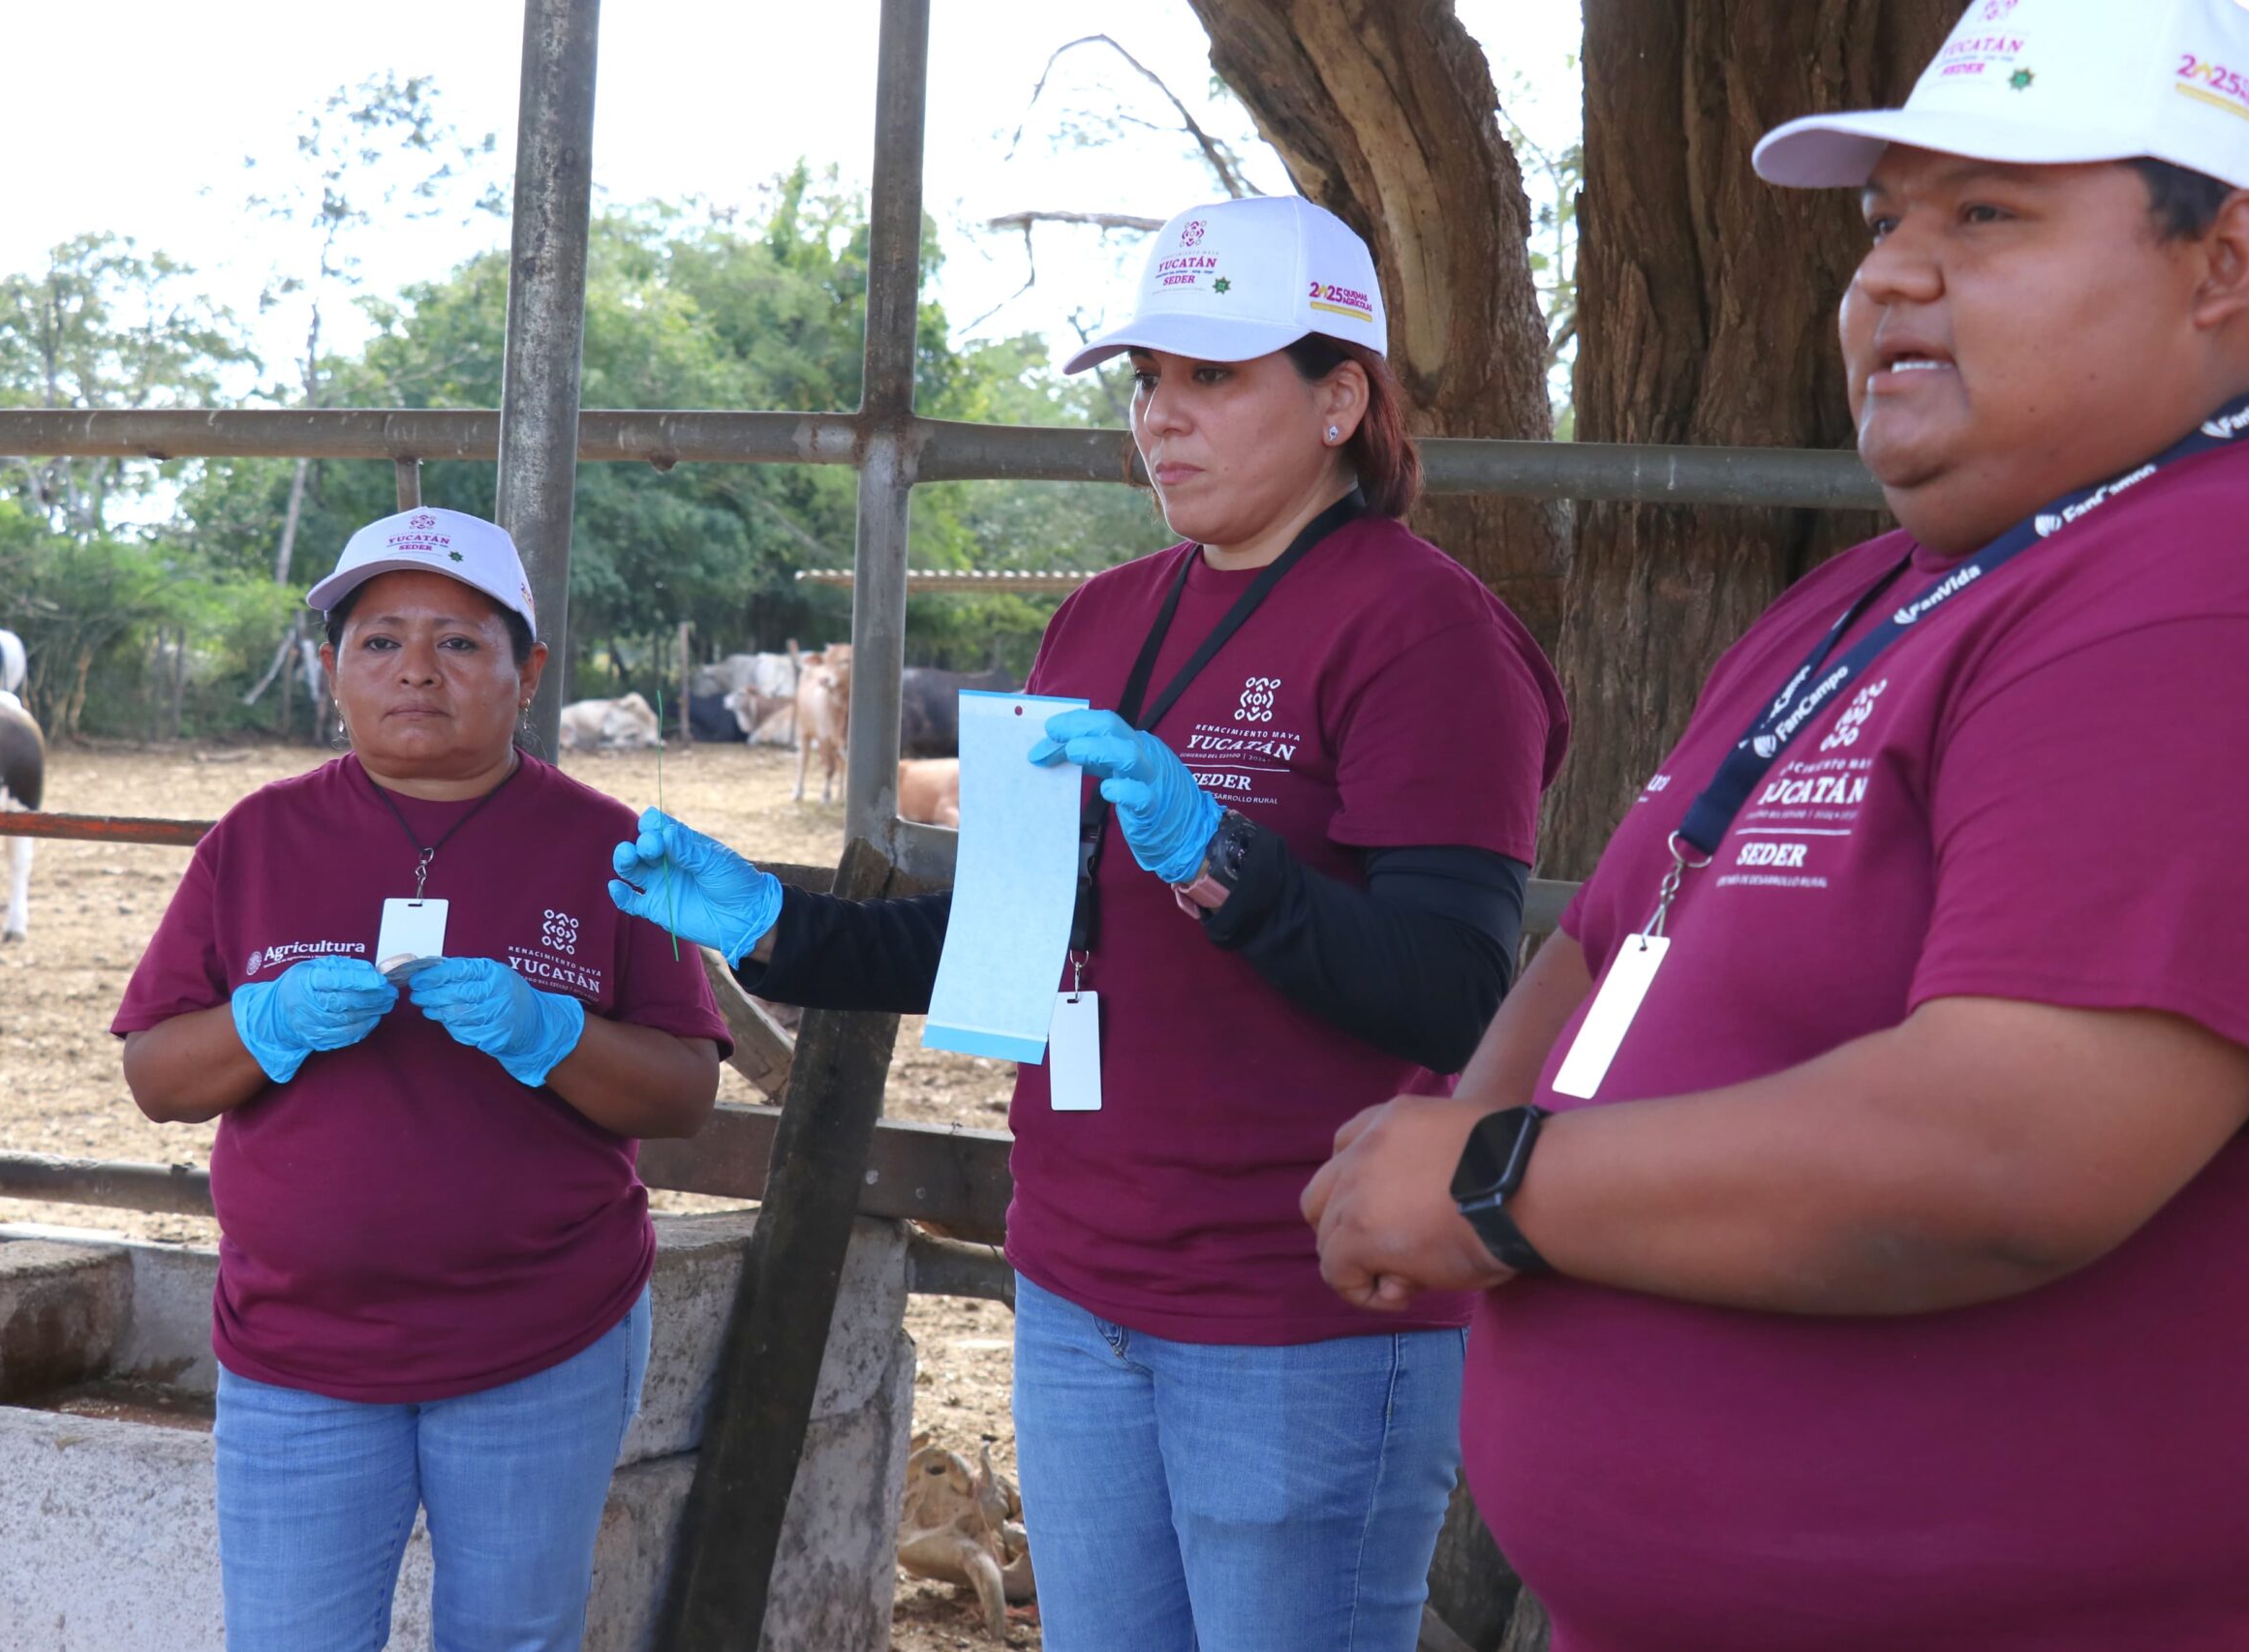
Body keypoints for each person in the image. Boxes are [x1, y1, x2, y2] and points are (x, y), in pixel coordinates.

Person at [1304, 3, 2249, 1648]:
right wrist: (1461, 1136)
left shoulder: (2222, 580)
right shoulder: (1886, 589)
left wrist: (1494, 1183)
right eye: (1884, 220)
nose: (1890, 277)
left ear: (2225, 260)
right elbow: (1623, 922)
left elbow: (2011, 1148)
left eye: (1985, 214)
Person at [608, 196, 1567, 1652]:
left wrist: (1219, 860)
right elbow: (1006, 933)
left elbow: (1449, 993)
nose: (1161, 419)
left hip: (1294, 1305)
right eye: (1146, 380)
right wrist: (774, 923)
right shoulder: (1100, 622)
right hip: (1074, 1282)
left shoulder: (1425, 630)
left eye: (1213, 377)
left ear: (1341, 398)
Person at [114, 507, 728, 1652]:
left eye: (458, 640)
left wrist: (553, 1032)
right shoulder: (256, 838)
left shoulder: (609, 847)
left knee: (515, 1636)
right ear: (331, 669)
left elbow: (683, 1092)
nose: (416, 670)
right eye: (380, 639)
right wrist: (265, 1022)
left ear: (527, 670)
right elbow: (157, 1074)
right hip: (298, 1347)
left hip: (542, 1338)